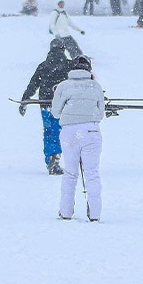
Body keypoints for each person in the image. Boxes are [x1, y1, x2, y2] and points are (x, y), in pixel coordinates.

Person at [52, 55, 106, 221]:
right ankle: (95, 213)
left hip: (69, 132)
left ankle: (66, 211)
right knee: (92, 173)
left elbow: (55, 112)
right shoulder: (95, 86)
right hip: (91, 131)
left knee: (70, 173)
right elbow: (101, 113)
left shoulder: (63, 86)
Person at [20, 39, 74, 175]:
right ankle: (55, 159)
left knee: (48, 130)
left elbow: (33, 84)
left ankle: (49, 159)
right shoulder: (68, 65)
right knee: (58, 130)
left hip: (44, 103)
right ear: (63, 49)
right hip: (61, 104)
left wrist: (25, 99)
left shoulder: (44, 65)